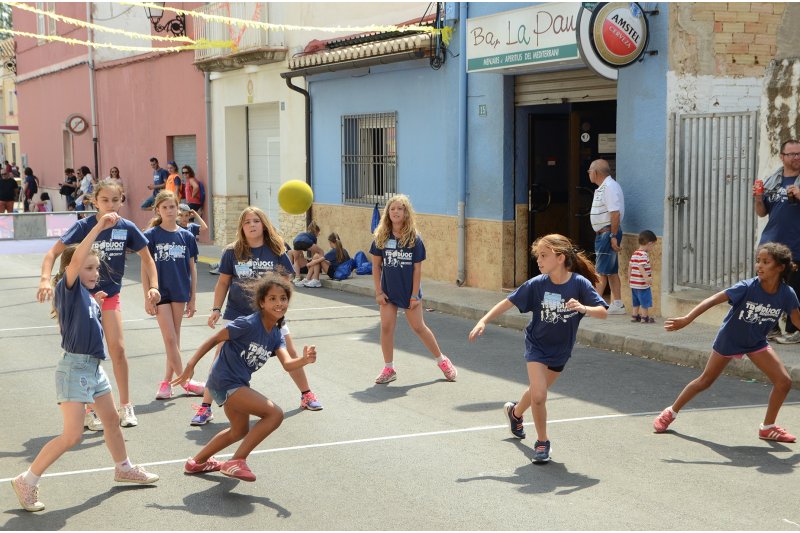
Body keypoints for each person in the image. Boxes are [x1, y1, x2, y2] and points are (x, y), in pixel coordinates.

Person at [11, 212, 159, 513]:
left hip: (93, 368)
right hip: (74, 369)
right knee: (72, 435)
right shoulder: (68, 289)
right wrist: (99, 226)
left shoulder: (88, 296)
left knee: (111, 420)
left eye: (97, 268)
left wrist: (97, 303)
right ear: (73, 269)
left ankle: (123, 467)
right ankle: (27, 479)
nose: (95, 272)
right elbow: (76, 258)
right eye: (89, 268)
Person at [468, 234, 608, 463]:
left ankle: (515, 413)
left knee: (536, 391)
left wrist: (584, 308)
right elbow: (508, 302)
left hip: (561, 349)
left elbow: (602, 312)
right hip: (537, 346)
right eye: (538, 256)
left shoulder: (578, 284)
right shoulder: (537, 284)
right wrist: (483, 320)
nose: (539, 261)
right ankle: (542, 442)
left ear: (560, 258)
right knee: (540, 395)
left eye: (544, 256)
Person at [37, 179, 160, 430]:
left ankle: (126, 405)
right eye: (104, 200)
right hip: (80, 300)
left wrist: (153, 287)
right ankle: (88, 409)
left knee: (118, 349)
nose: (110, 205)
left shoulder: (126, 227)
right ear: (95, 201)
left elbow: (148, 259)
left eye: (115, 200)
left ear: (122, 201)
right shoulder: (84, 226)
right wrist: (44, 280)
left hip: (109, 296)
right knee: (85, 354)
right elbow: (52, 254)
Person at [173, 274, 317, 480]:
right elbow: (215, 339)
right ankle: (236, 460)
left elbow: (287, 364)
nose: (279, 303)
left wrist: (304, 360)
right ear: (262, 302)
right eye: (273, 298)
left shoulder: (276, 334)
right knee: (275, 414)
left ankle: (196, 462)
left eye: (283, 298)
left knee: (239, 431)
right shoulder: (248, 323)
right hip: (224, 381)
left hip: (237, 384)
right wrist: (190, 365)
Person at [190, 206, 322, 426]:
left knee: (290, 352)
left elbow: (285, 283)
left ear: (264, 225)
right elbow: (223, 282)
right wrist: (216, 309)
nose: (251, 225)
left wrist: (279, 309)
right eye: (247, 222)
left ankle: (306, 394)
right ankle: (205, 407)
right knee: (220, 356)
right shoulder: (232, 252)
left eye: (256, 221)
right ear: (242, 227)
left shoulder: (276, 250)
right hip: (237, 313)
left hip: (269, 316)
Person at [654, 242, 797, 443]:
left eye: (766, 262)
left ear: (780, 267)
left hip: (756, 342)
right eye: (758, 261)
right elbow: (712, 300)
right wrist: (687, 318)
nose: (759, 265)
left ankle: (767, 428)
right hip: (730, 339)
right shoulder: (746, 287)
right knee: (705, 381)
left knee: (784, 382)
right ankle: (671, 412)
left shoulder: (787, 294)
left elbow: (797, 320)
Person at [370, 194, 457, 384]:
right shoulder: (381, 236)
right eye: (392, 208)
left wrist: (415, 295)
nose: (396, 212)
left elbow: (417, 269)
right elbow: (376, 266)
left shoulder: (414, 239)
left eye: (400, 209)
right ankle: (388, 369)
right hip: (388, 292)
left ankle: (442, 361)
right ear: (388, 212)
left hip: (410, 292)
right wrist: (379, 292)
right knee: (386, 327)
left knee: (418, 327)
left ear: (406, 213)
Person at [143, 191, 205, 400]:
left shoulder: (186, 236)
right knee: (169, 338)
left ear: (178, 209)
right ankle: (186, 381)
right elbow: (145, 268)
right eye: (165, 207)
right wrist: (147, 296)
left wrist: (192, 298)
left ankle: (166, 383)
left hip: (180, 290)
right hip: (159, 293)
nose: (169, 211)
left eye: (172, 207)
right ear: (157, 210)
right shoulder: (151, 235)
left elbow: (192, 269)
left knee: (174, 340)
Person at [754, 139, 800, 344]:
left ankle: (794, 330)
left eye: (799, 153)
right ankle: (770, 328)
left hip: (796, 243)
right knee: (767, 287)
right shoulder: (773, 181)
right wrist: (758, 198)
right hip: (771, 244)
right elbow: (762, 212)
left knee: (795, 289)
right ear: (782, 157)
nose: (797, 157)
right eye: (792, 154)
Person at [588, 159, 626, 315]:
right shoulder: (604, 187)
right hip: (604, 233)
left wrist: (613, 236)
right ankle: (618, 304)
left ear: (596, 172)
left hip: (607, 233)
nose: (589, 174)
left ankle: (595, 305)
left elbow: (615, 213)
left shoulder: (609, 187)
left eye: (589, 171)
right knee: (610, 270)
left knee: (601, 271)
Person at [629, 230, 657, 323]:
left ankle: (634, 316)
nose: (652, 248)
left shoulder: (635, 253)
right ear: (649, 243)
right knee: (645, 300)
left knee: (636, 301)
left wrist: (629, 278)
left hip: (634, 283)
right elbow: (640, 266)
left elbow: (630, 266)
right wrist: (646, 278)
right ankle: (644, 317)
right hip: (642, 284)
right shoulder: (644, 254)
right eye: (653, 245)